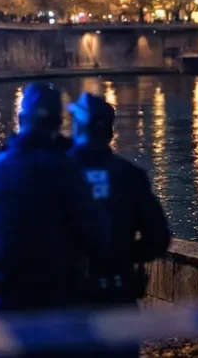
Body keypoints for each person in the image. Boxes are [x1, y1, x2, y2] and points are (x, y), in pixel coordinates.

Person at [0, 83, 110, 318]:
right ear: (58, 122)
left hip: (11, 296)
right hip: (62, 297)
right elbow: (96, 232)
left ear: (21, 118)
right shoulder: (74, 169)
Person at [67, 92, 171, 357]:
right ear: (110, 132)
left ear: (77, 127)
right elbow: (158, 238)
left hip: (66, 300)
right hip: (117, 295)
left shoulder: (53, 174)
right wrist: (124, 255)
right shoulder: (129, 176)